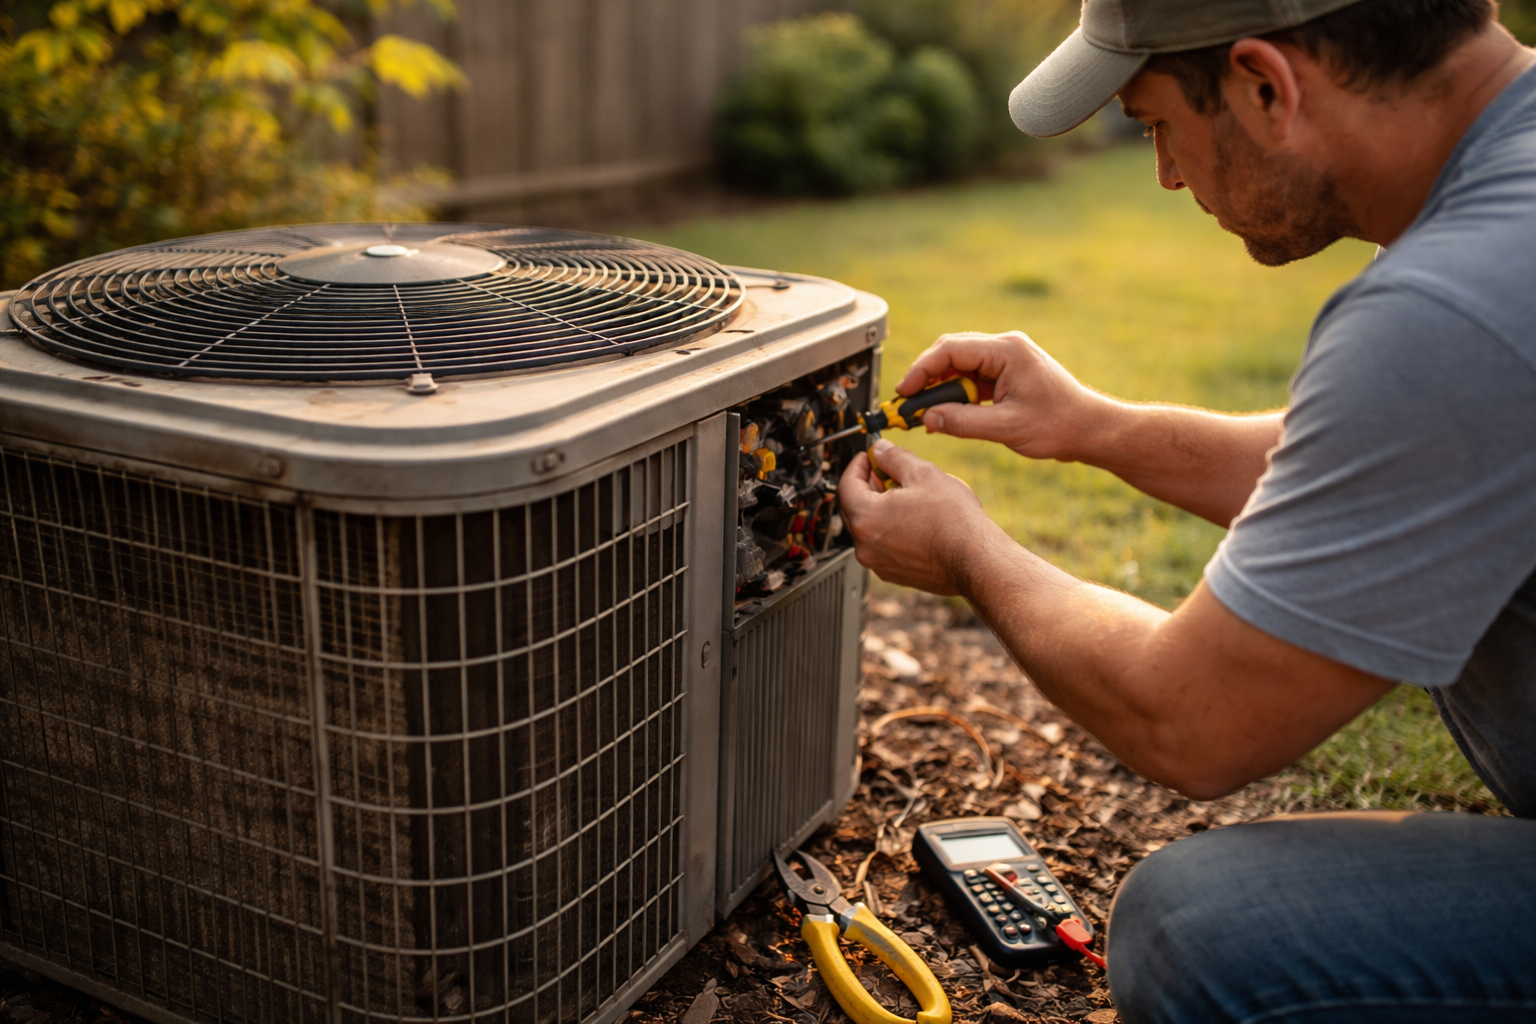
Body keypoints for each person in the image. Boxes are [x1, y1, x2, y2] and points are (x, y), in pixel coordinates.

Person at [837, 0, 1536, 1019]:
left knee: (1199, 930)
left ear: (1264, 84)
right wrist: (1096, 426)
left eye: (1154, 121)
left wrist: (967, 551)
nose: (1164, 172)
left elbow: (1190, 719)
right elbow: (1379, 477)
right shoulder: (1500, 212)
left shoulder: (1454, 304)